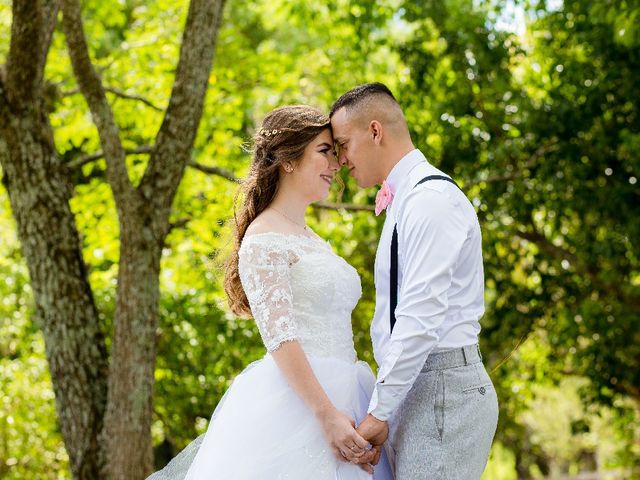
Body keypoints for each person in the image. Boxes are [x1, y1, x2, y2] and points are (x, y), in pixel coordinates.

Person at [147, 105, 393, 479]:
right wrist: (326, 415)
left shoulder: (311, 237)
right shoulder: (264, 238)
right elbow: (280, 337)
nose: (337, 163)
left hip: (351, 392)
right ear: (289, 161)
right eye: (325, 151)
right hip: (301, 406)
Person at [330, 83, 499, 479]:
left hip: (442, 389)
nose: (340, 160)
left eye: (343, 144)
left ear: (375, 131)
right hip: (418, 385)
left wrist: (379, 410)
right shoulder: (407, 199)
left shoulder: (430, 202)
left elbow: (420, 317)